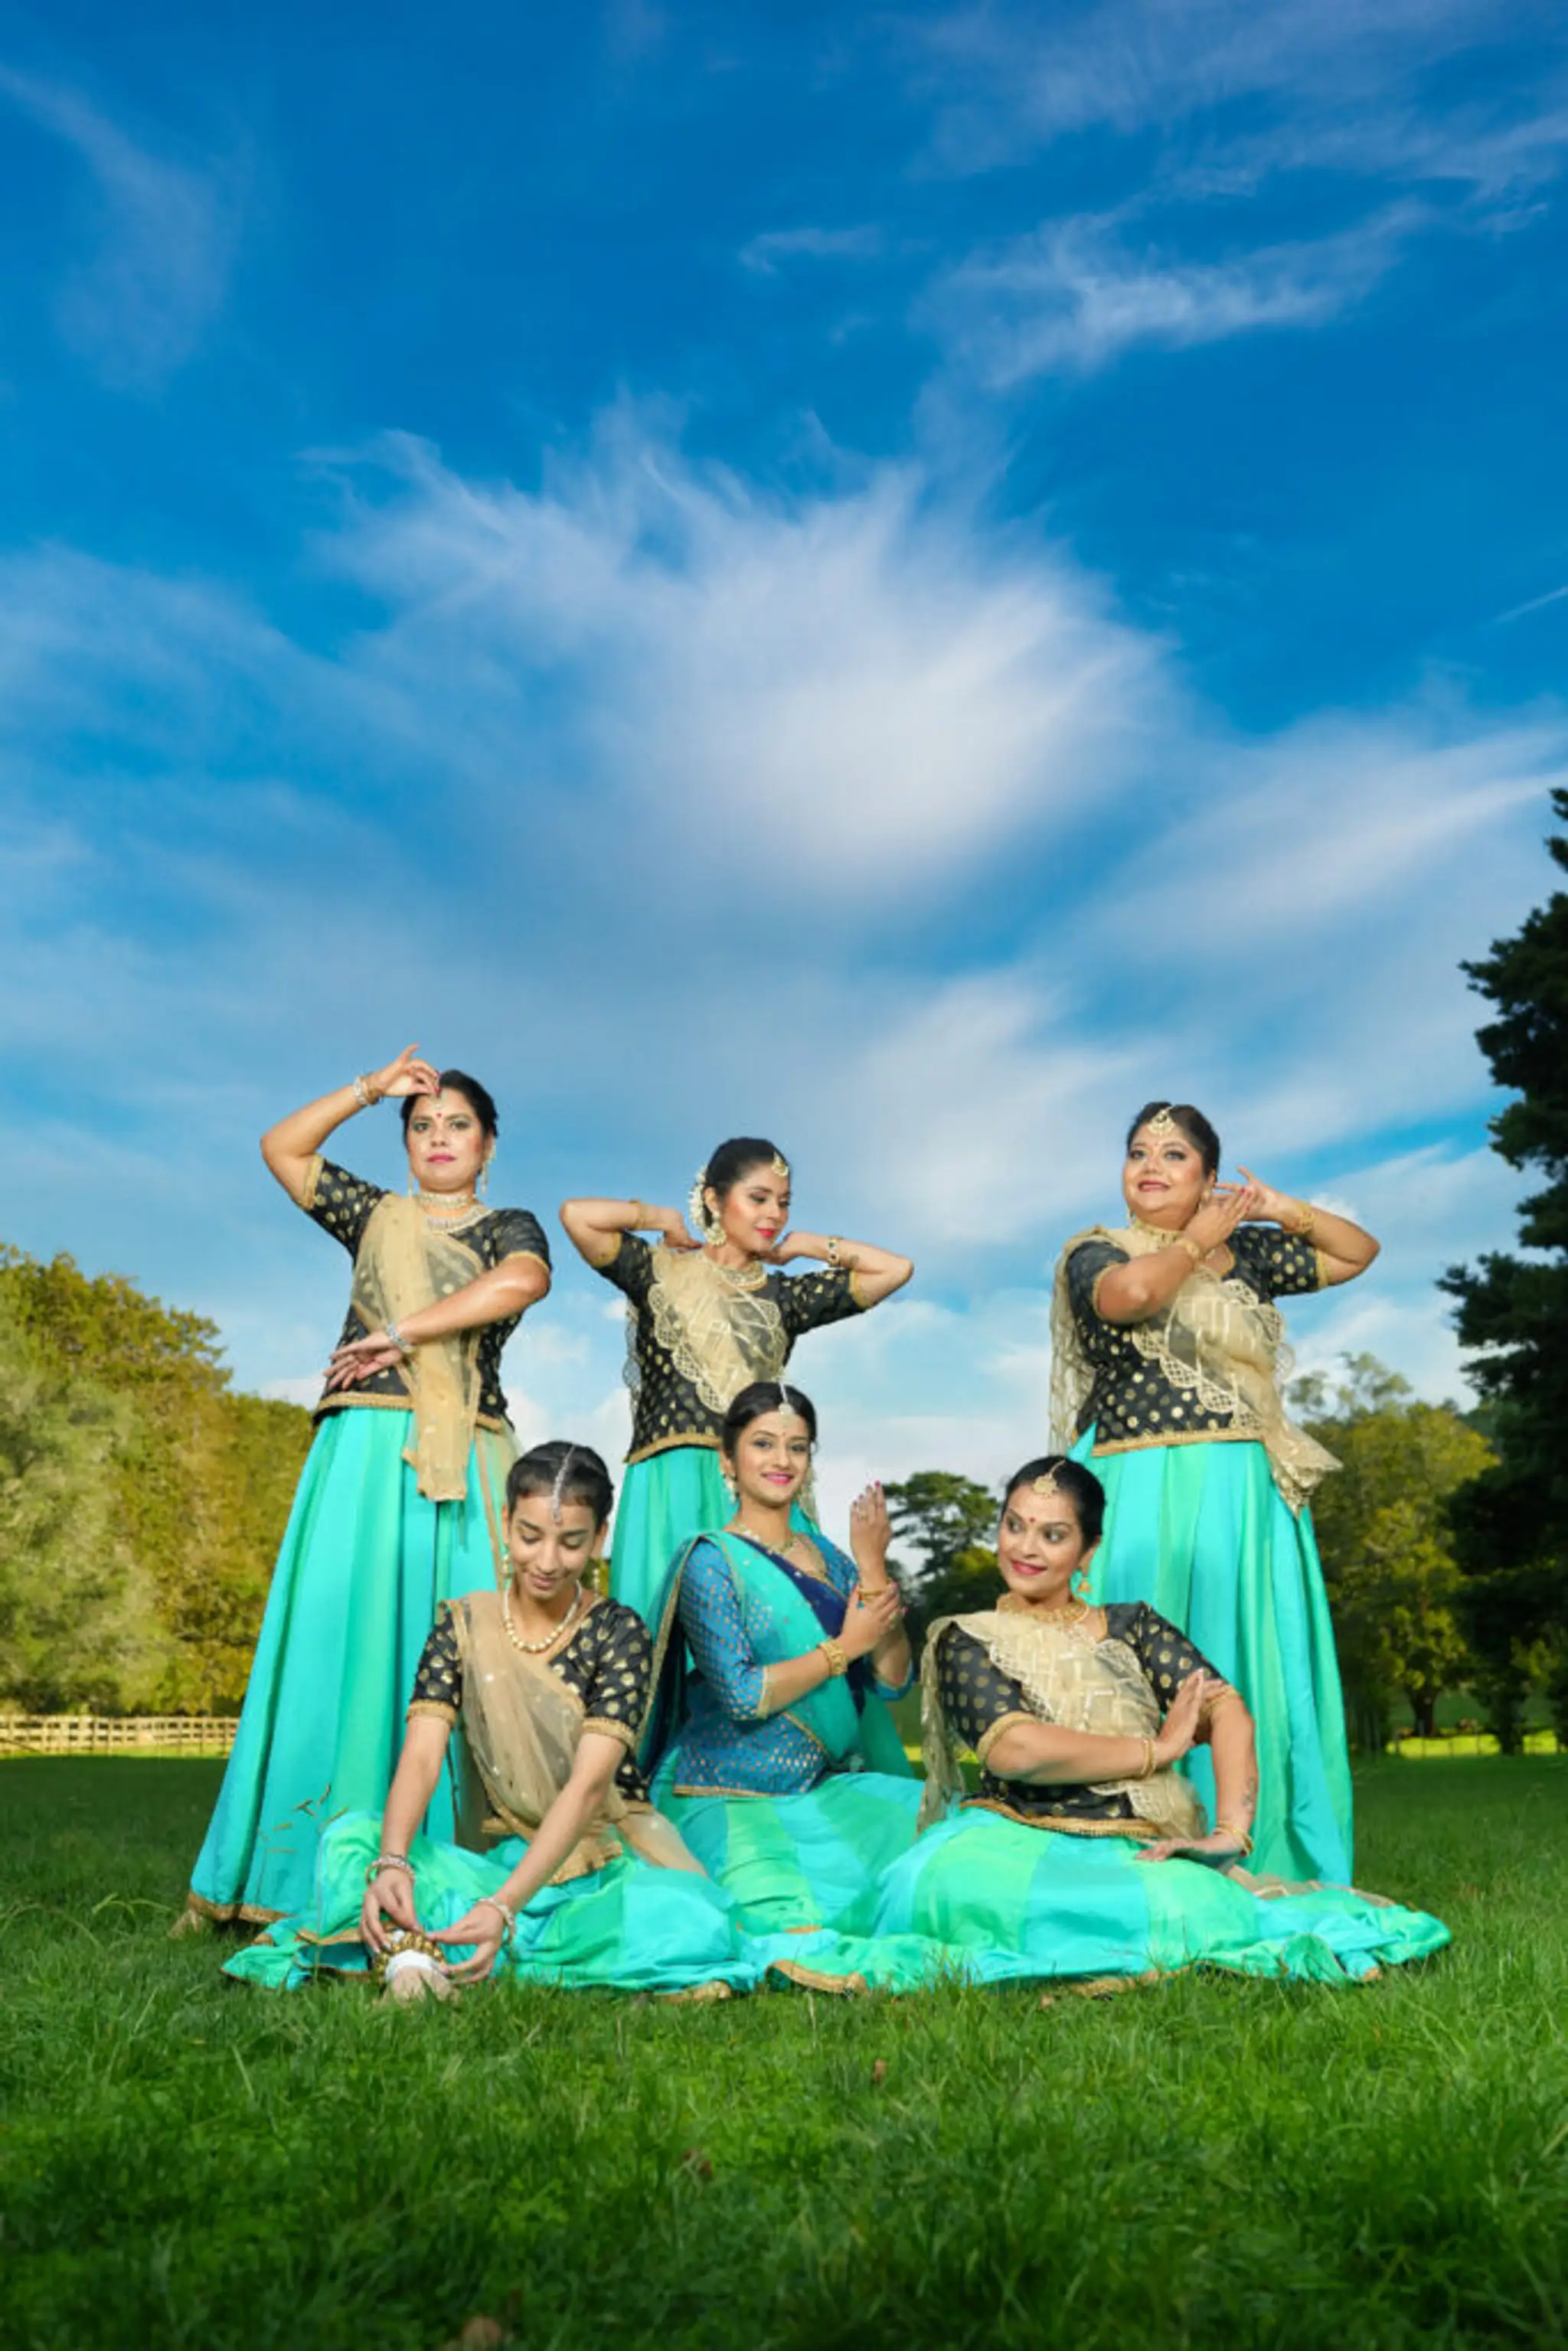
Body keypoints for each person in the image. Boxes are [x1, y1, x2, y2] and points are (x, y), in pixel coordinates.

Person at [183, 1049, 552, 1929]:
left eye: (457, 1124)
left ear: (488, 1145)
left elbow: (523, 1282)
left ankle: (450, 1868)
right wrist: (368, 1089)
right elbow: (281, 1147)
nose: (438, 1137)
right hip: (359, 1452)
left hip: (462, 1456)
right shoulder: (375, 1216)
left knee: (462, 1644)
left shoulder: (509, 1225)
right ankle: (288, 1876)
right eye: (422, 1125)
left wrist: (401, 1332)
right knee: (334, 1639)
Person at [873, 1458, 1449, 1988]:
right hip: (1010, 1836)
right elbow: (1015, 1749)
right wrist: (1157, 1748)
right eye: (1015, 1525)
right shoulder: (966, 1637)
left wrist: (1230, 1833)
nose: (1027, 1548)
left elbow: (1226, 1708)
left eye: (1053, 1534)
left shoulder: (1134, 1626)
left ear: (1088, 1551)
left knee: (1175, 1902)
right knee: (935, 1887)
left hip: (1133, 1842)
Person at [224, 1444, 760, 1998]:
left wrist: (504, 1906)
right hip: (501, 1858)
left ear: (600, 1538)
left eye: (571, 1542)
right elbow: (423, 1755)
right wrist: (393, 1861)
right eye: (531, 1536)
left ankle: (429, 1951)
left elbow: (588, 1785)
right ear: (505, 1523)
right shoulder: (461, 1626)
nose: (547, 1561)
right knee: (353, 1842)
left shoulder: (619, 1633)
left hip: (602, 1862)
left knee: (692, 1925)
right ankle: (432, 1952)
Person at [1050, 1101, 1377, 1881]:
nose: (1151, 1165)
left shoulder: (1248, 1255)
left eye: (1174, 1154)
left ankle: (1254, 1839)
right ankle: (1133, 1847)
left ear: (1207, 1176)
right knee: (1137, 1660)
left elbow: (1357, 1252)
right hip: (1137, 1481)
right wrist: (1196, 1240)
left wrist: (1277, 1209)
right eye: (1137, 1151)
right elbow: (1127, 1298)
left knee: (1242, 1652)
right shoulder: (1096, 1250)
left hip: (1241, 1492)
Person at [560, 1138, 912, 1628]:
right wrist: (660, 1219)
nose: (774, 1214)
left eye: (784, 1202)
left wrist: (809, 1246)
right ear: (713, 1199)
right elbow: (578, 1215)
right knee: (664, 1638)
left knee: (762, 1640)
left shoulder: (784, 1297)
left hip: (755, 1485)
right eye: (759, 1198)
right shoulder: (658, 1270)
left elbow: (895, 1270)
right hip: (669, 1484)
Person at [641, 1382, 924, 1968]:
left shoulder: (834, 1559)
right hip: (728, 1788)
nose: (782, 1460)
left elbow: (893, 1679)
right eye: (763, 1443)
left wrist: (871, 1564)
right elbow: (744, 1695)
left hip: (824, 1786)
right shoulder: (710, 1560)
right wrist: (844, 1647)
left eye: (798, 1447)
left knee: (940, 1838)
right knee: (781, 1917)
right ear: (728, 1461)